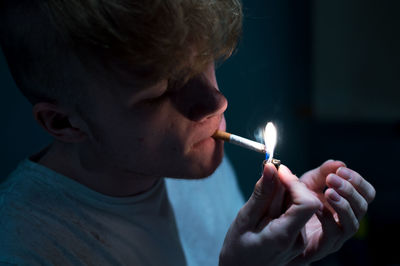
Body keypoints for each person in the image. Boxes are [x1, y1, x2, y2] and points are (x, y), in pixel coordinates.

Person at [0, 0, 376, 265]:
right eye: (162, 91)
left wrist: (283, 253)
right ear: (63, 123)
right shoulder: (24, 248)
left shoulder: (190, 154)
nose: (215, 102)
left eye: (205, 61)